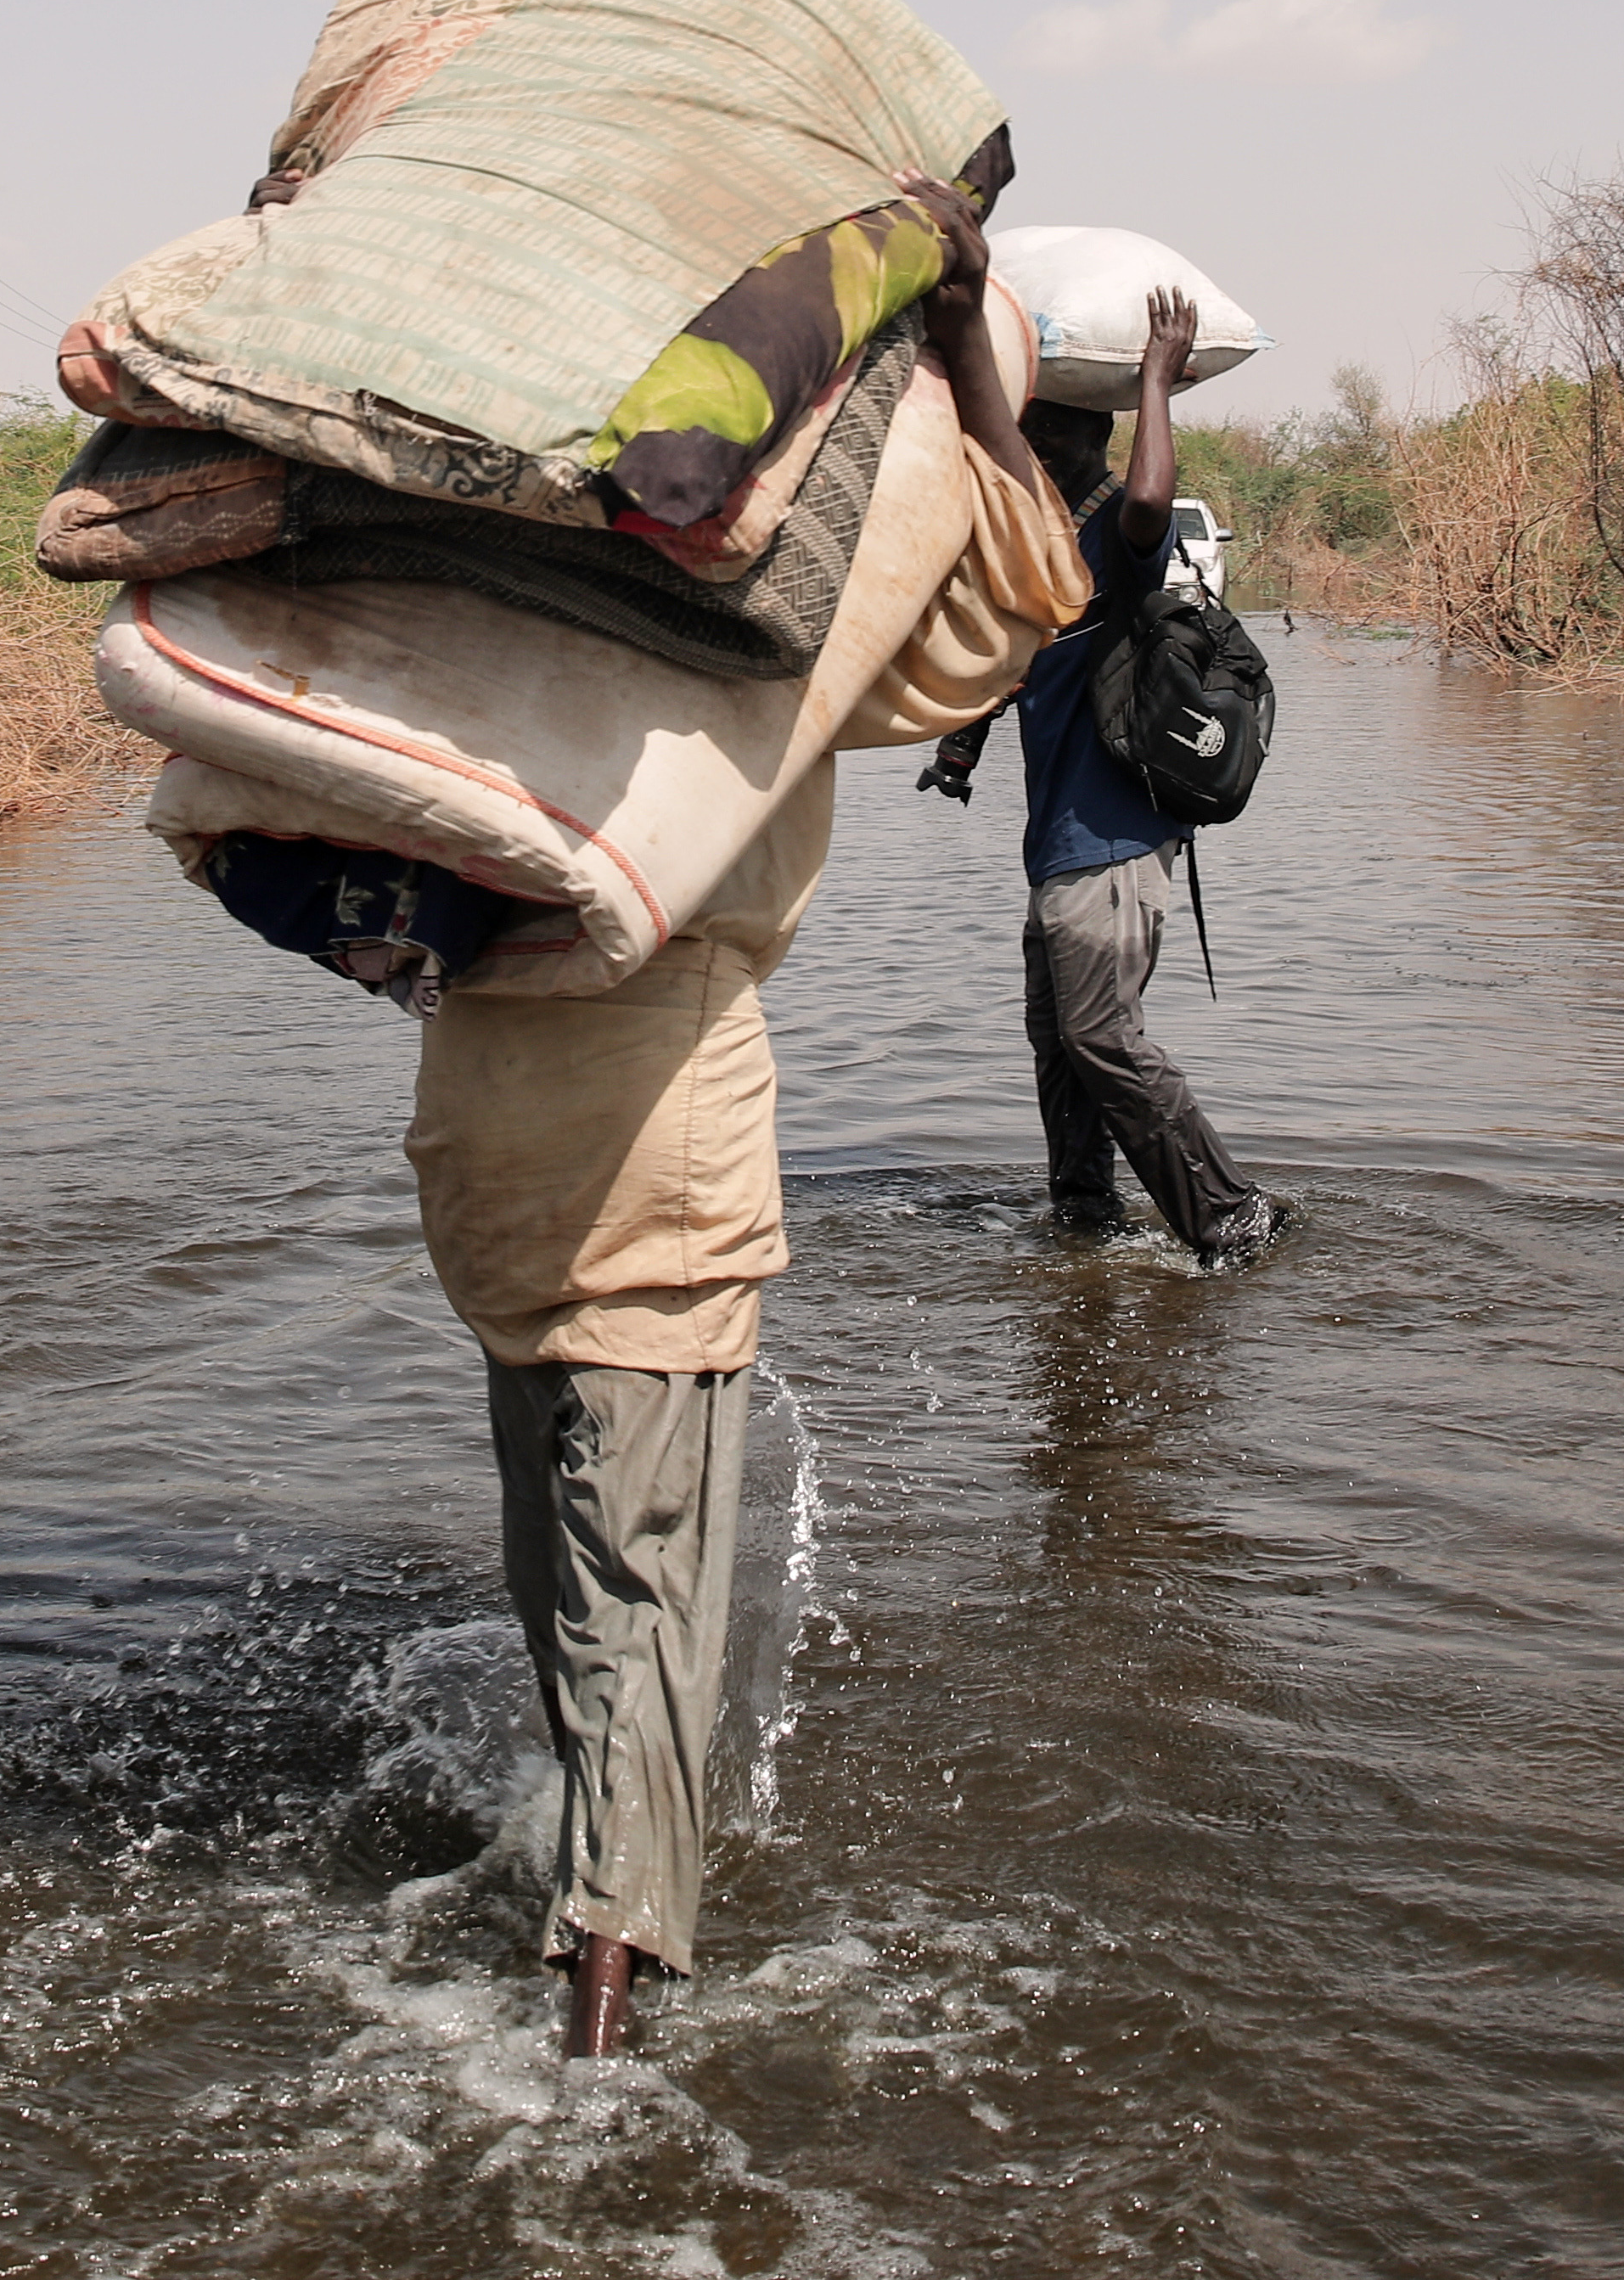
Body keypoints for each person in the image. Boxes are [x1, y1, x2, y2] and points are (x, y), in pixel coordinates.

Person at [394, 173, 1096, 2056]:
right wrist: (957, 331)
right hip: (660, 1112)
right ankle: (605, 2027)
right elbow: (1014, 604)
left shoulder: (463, 591)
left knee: (558, 1563)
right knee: (648, 1594)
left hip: (472, 1105)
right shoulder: (772, 604)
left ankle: (570, 1899)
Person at [922, 286, 1295, 1266]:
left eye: (1046, 431)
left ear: (1090, 436)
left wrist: (1155, 381)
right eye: (1027, 432)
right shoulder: (1038, 548)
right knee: (1059, 1044)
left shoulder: (1118, 540)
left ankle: (1229, 1213)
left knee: (1101, 1036)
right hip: (1057, 843)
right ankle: (1083, 1219)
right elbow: (1014, 663)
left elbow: (1148, 500)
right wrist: (961, 746)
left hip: (1113, 839)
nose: (1030, 448)